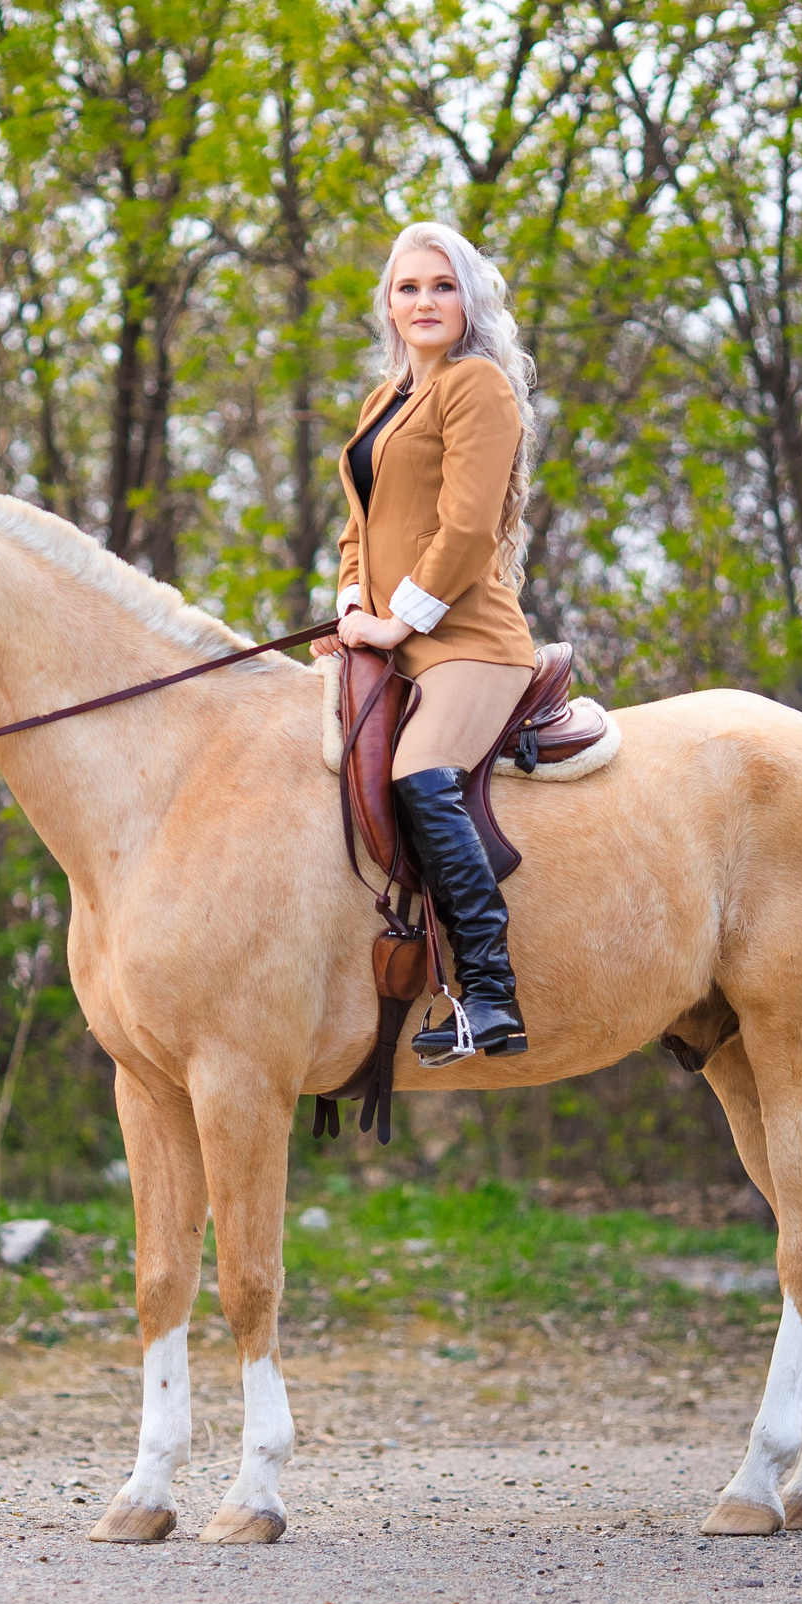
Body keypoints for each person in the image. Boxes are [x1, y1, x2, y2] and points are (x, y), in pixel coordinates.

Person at [313, 222, 540, 1066]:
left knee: (417, 773)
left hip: (468, 640)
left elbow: (469, 526)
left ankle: (489, 995)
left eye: (442, 286)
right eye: (408, 288)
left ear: (469, 299)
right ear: (389, 305)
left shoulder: (476, 385)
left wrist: (398, 621)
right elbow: (357, 529)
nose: (424, 303)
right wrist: (349, 610)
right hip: (390, 640)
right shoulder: (386, 400)